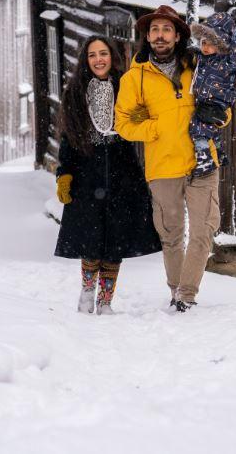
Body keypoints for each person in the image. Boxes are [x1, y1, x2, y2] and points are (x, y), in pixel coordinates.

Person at [114, 5, 227, 313]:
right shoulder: (134, 78)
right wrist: (156, 127)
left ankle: (186, 296)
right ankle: (175, 291)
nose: (160, 35)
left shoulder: (199, 68)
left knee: (204, 231)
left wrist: (218, 116)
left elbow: (223, 107)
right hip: (163, 165)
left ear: (178, 35)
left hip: (202, 162)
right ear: (147, 36)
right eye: (154, 30)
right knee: (171, 236)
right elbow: (123, 123)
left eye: (166, 29)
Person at [54, 36, 160, 315]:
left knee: (115, 240)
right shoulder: (76, 93)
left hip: (122, 174)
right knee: (91, 239)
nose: (98, 59)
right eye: (92, 55)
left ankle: (105, 302)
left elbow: (142, 121)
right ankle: (87, 292)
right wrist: (63, 174)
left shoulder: (126, 88)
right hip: (86, 174)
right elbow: (68, 138)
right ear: (85, 61)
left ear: (111, 57)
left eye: (103, 54)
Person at [188, 11, 236, 177]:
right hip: (205, 99)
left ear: (221, 44)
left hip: (218, 101)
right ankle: (219, 151)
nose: (205, 47)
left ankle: (204, 158)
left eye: (210, 43)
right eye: (203, 42)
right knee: (210, 128)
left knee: (197, 126)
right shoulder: (201, 57)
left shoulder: (227, 62)